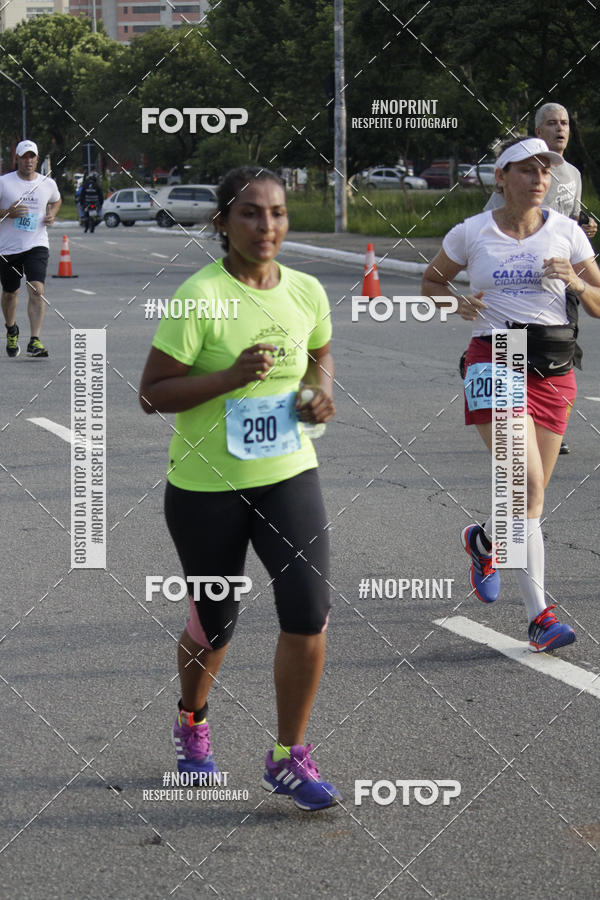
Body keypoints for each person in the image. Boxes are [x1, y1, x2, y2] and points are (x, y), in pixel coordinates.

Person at [139, 166, 341, 810]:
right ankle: (192, 721)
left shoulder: (306, 290)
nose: (267, 226)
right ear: (223, 221)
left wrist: (319, 392)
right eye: (251, 213)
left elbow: (319, 352)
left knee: (309, 609)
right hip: (205, 488)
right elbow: (153, 394)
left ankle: (289, 755)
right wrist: (229, 378)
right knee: (215, 624)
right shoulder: (200, 296)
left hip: (288, 471)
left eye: (277, 213)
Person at [422, 137, 600, 651]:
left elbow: (599, 304)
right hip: (495, 355)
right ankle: (540, 616)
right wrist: (455, 304)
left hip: (554, 363)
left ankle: (485, 541)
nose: (539, 178)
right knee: (524, 479)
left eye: (544, 170)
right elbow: (431, 283)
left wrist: (577, 282)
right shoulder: (471, 232)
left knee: (531, 498)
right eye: (526, 170)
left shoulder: (568, 233)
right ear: (502, 178)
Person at [485, 103, 597, 454]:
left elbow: (571, 220)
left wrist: (586, 228)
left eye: (564, 122)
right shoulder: (525, 172)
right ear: (539, 132)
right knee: (514, 348)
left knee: (561, 350)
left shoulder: (573, 174)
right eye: (551, 123)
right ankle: (514, 417)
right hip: (521, 279)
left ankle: (550, 425)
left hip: (562, 280)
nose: (560, 129)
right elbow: (491, 216)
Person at [0, 140, 61, 358]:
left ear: (37, 158)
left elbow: (56, 200)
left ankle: (35, 340)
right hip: (8, 248)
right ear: (17, 159)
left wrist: (52, 214)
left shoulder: (48, 183)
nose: (29, 161)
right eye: (24, 157)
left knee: (37, 289)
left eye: (32, 156)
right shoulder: (4, 182)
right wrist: (8, 212)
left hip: (37, 244)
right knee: (10, 293)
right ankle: (11, 328)